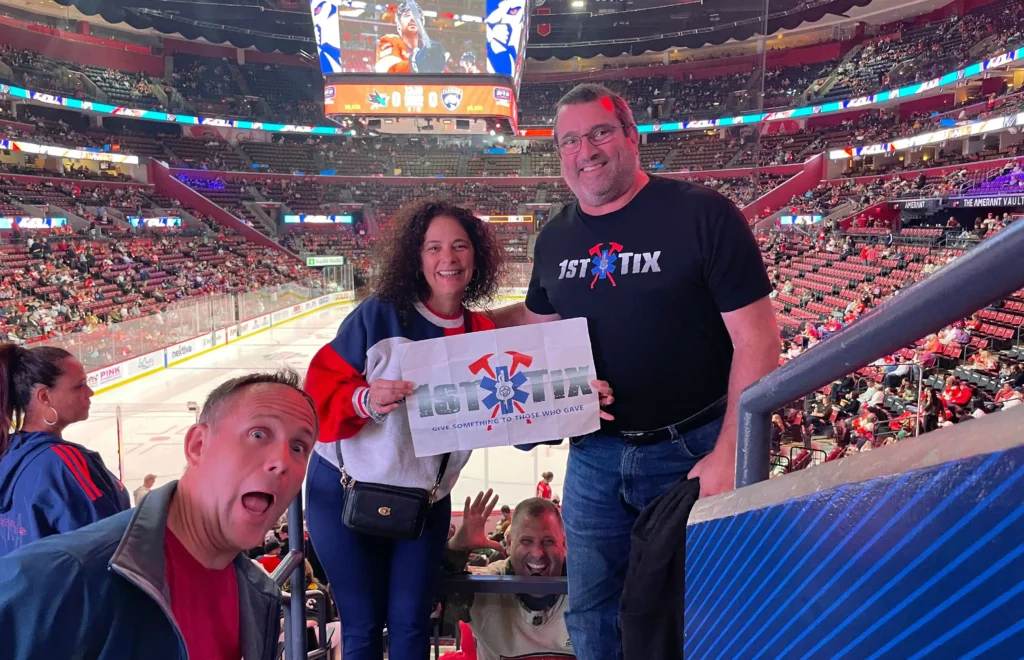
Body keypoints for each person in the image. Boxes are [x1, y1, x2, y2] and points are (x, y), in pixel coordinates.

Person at [486, 84, 780, 660]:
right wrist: (450, 323)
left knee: (697, 609)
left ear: (630, 136)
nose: (585, 150)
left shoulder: (702, 213)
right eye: (569, 140)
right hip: (594, 457)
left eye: (599, 132)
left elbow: (759, 339)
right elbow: (535, 323)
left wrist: (727, 452)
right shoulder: (555, 237)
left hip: (689, 450)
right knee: (593, 610)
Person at [303, 199, 505, 660]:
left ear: (477, 256)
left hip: (424, 502)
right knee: (362, 626)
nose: (447, 259)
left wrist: (577, 392)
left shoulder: (482, 333)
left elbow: (520, 411)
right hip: (341, 492)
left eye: (459, 246)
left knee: (413, 625)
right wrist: (366, 399)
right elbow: (317, 395)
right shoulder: (379, 315)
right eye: (433, 247)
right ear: (417, 256)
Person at [0, 371, 318, 659]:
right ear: (197, 445)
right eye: (259, 435)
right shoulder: (59, 578)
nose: (282, 461)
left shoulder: (258, 596)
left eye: (299, 447)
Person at [0, 345, 129, 558]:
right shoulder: (63, 464)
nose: (90, 392)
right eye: (79, 386)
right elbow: (111, 547)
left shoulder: (8, 452)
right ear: (44, 396)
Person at [447, 491, 573, 660]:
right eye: (526, 541)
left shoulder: (586, 586)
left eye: (548, 541)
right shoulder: (485, 584)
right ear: (509, 544)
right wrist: (457, 550)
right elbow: (430, 605)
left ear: (564, 545)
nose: (537, 553)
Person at [375, 0, 447, 74]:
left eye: (416, 16)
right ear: (399, 22)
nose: (412, 19)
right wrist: (416, 65)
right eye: (407, 15)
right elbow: (388, 70)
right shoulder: (390, 40)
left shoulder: (430, 46)